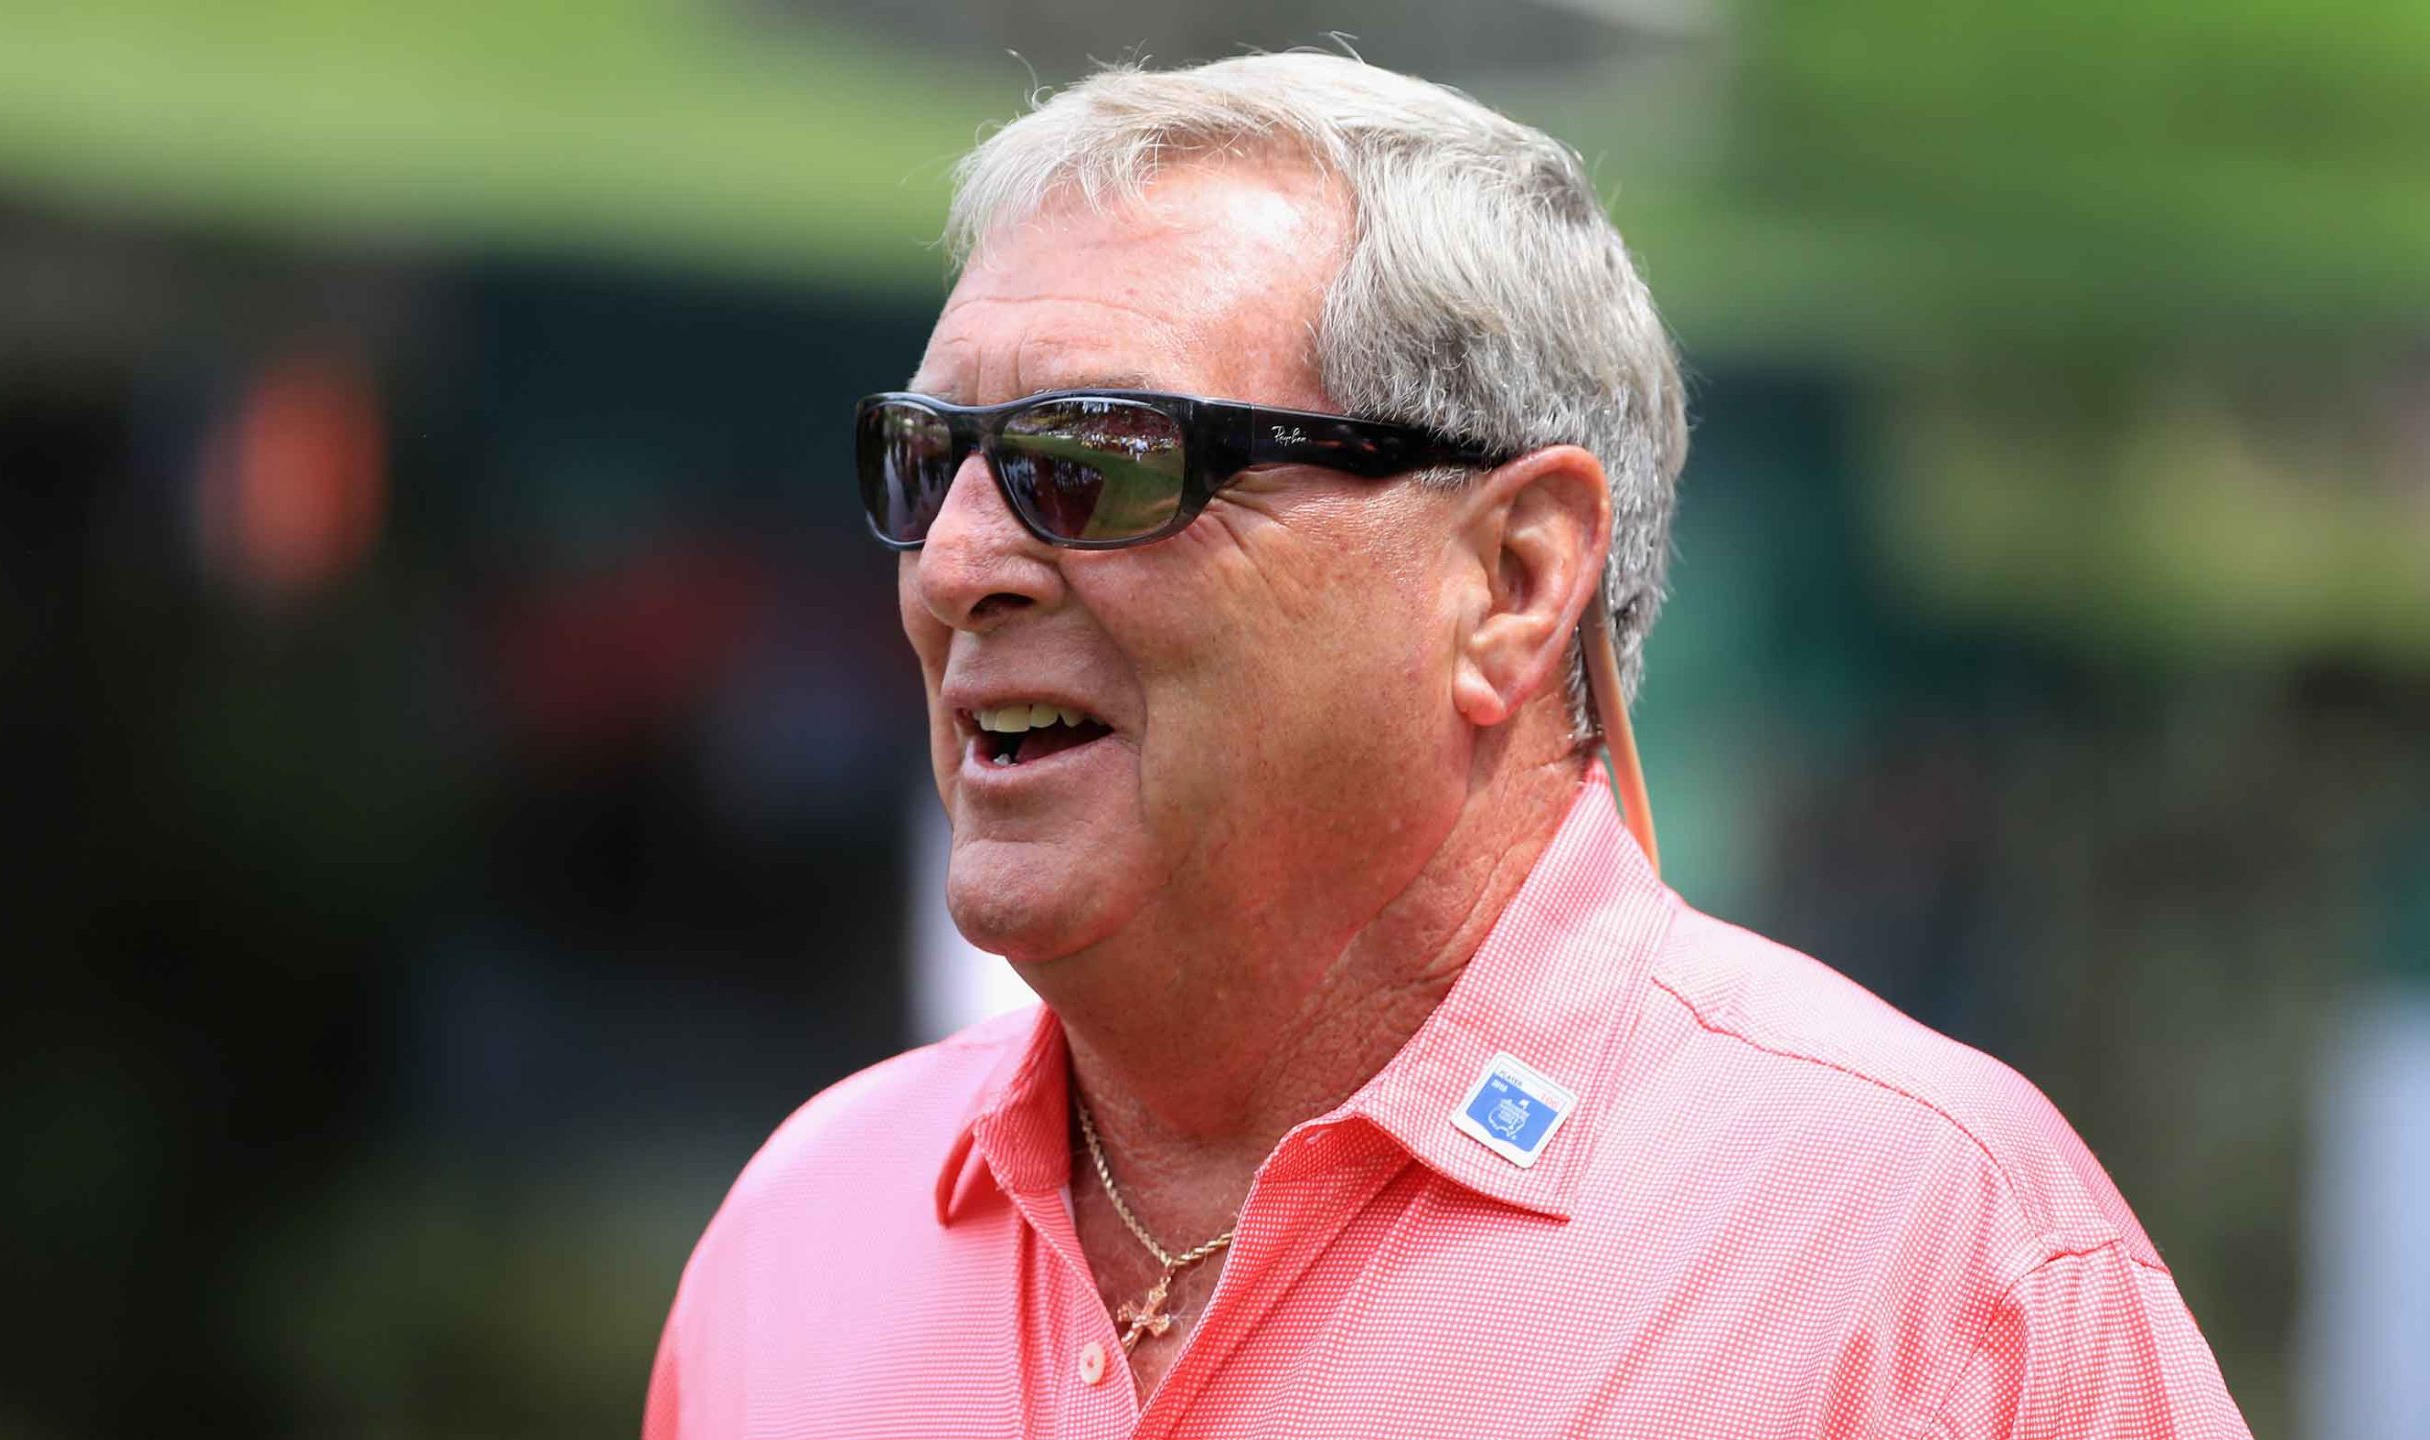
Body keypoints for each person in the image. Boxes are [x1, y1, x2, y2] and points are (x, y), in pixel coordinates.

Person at [645, 52, 2249, 1439]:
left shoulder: (1920, 1267)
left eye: (1105, 462)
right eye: (931, 463)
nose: (954, 568)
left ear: (1513, 581)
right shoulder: (806, 1231)